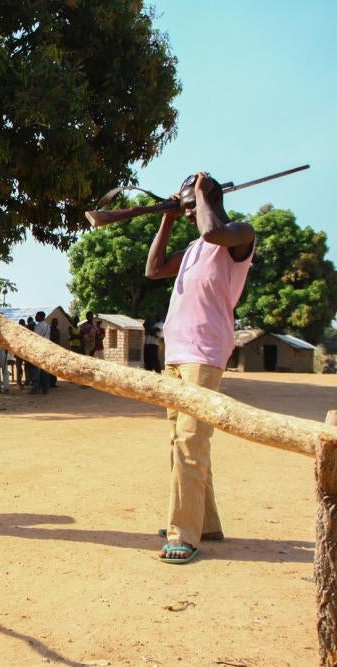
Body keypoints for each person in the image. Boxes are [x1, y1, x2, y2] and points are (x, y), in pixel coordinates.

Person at [145, 171, 255, 564]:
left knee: (191, 441)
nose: (188, 212)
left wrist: (204, 194)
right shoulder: (192, 247)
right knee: (181, 440)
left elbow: (213, 232)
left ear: (211, 197)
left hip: (205, 354)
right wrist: (168, 218)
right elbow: (154, 269)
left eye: (191, 205)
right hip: (175, 354)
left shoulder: (239, 236)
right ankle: (203, 521)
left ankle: (183, 533)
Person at [30, 311, 51, 395]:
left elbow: (35, 337)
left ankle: (35, 388)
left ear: (40, 317)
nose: (35, 317)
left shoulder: (38, 326)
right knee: (44, 370)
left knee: (35, 369)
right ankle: (46, 388)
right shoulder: (47, 326)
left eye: (37, 315)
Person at [49, 317, 61, 388]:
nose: (56, 323)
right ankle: (50, 382)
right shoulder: (50, 330)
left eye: (56, 322)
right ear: (52, 323)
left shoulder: (57, 331)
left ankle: (53, 382)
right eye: (54, 322)